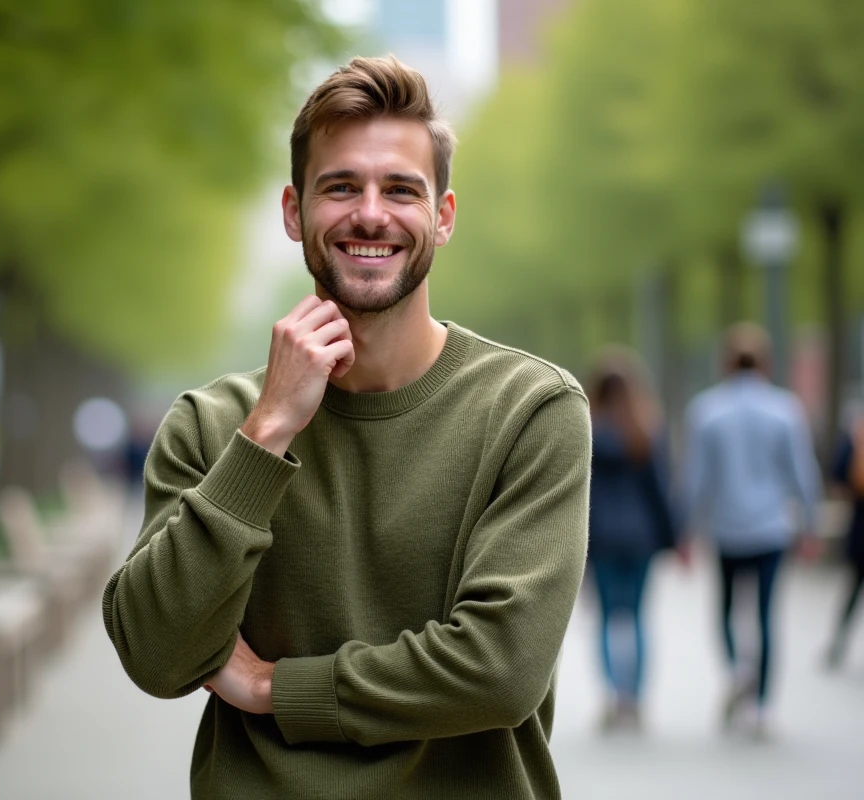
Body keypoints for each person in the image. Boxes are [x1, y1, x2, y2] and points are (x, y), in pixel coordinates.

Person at [102, 56, 592, 799]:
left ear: (444, 216)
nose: (371, 214)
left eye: (402, 189)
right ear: (295, 212)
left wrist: (277, 689)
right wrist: (266, 434)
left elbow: (501, 669)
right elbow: (156, 657)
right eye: (341, 187)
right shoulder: (211, 426)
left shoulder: (531, 411)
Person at [681, 322, 822, 738]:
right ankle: (760, 705)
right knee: (764, 615)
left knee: (724, 610)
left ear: (724, 362)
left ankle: (736, 669)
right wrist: (810, 523)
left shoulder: (706, 411)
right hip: (770, 529)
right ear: (767, 362)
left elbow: (695, 478)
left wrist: (686, 529)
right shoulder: (785, 410)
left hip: (726, 529)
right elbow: (802, 473)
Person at [585, 349, 677, 731]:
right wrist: (673, 537)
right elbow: (660, 490)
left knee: (607, 618)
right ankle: (635, 696)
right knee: (638, 617)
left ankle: (613, 695)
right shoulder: (647, 431)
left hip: (600, 537)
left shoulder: (585, 431)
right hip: (640, 536)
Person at [826, 412, 864, 668]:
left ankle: (838, 644)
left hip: (862, 524)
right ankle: (837, 643)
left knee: (854, 588)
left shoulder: (857, 434)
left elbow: (837, 474)